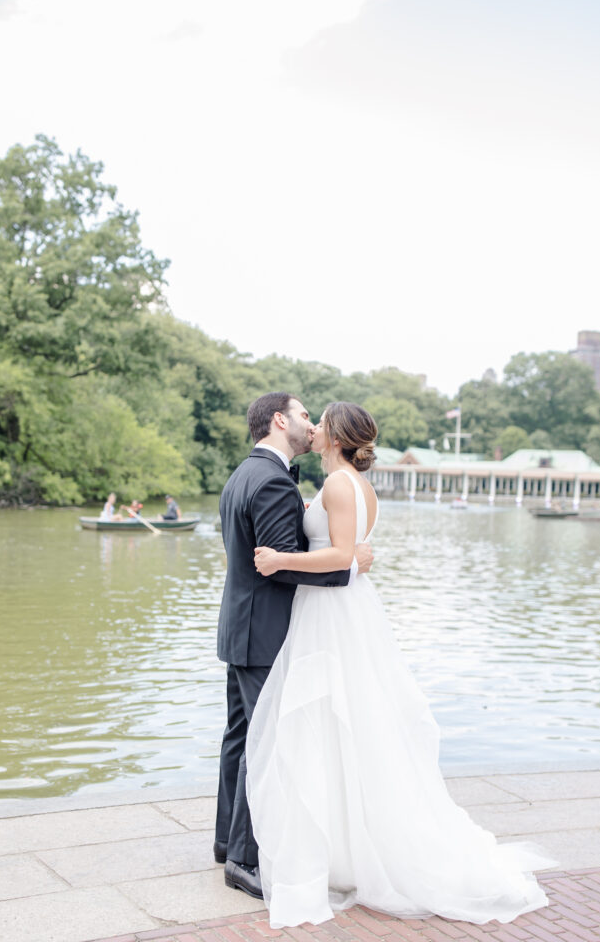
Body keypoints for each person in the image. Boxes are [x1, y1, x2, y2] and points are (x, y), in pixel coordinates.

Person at [246, 401, 554, 929]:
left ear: (337, 436)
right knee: (342, 723)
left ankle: (345, 847)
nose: (314, 429)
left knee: (331, 721)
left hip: (332, 613)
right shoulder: (356, 486)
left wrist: (281, 560)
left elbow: (342, 555)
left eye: (321, 422)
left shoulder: (342, 486)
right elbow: (354, 553)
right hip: (341, 609)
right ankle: (345, 842)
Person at [214, 392, 374, 901]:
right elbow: (280, 565)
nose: (311, 425)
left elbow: (269, 557)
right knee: (263, 741)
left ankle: (225, 840)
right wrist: (351, 565)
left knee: (240, 736)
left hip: (240, 627)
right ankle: (244, 859)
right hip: (265, 633)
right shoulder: (275, 483)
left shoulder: (243, 475)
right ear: (280, 420)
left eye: (317, 420)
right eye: (305, 416)